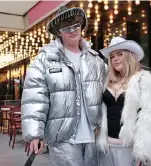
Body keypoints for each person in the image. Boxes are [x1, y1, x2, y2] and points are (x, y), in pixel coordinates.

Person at [21, 6, 106, 166]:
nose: (72, 30)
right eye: (66, 28)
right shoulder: (45, 60)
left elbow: (111, 88)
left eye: (76, 26)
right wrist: (34, 134)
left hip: (93, 136)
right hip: (62, 138)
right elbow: (35, 98)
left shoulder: (95, 60)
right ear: (58, 32)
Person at [96, 37, 151, 166]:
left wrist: (143, 152)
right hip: (106, 147)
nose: (115, 59)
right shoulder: (106, 80)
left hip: (129, 149)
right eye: (112, 56)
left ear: (129, 55)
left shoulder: (143, 79)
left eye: (119, 54)